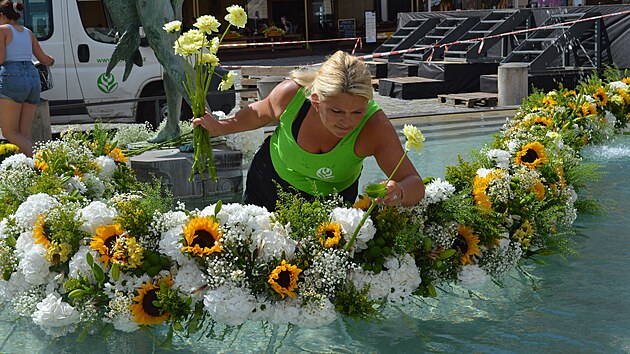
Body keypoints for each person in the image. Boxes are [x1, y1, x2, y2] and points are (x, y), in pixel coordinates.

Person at [194, 51, 425, 211]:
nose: (347, 122)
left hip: (332, 200)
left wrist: (400, 191)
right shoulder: (290, 95)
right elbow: (257, 114)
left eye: (357, 112)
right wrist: (220, 127)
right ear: (316, 101)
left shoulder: (374, 126)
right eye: (336, 111)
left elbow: (414, 182)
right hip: (269, 184)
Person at [0, 0, 54, 157]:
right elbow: (45, 59)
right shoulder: (27, 32)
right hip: (33, 78)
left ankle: (40, 164)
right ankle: (33, 171)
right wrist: (52, 60)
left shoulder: (2, 30)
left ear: (2, 15)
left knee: (10, 132)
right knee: (24, 134)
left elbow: (0, 59)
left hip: (12, 78)